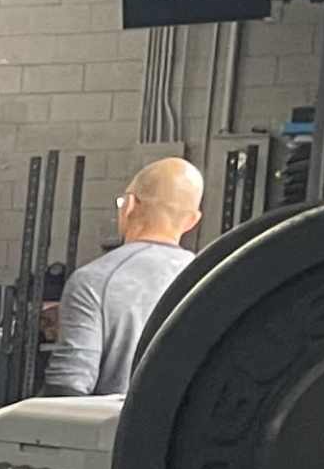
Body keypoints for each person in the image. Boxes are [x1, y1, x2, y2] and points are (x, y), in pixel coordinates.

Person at [44, 156, 205, 396]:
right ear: (192, 221)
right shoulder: (211, 279)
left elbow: (67, 390)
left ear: (128, 205)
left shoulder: (94, 280)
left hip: (115, 432)